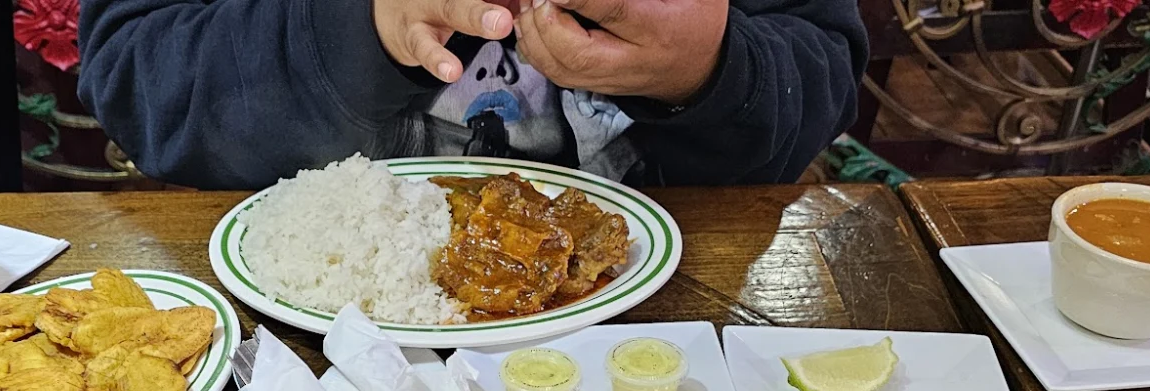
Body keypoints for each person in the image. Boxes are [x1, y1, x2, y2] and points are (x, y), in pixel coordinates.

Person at [76, 0, 866, 189]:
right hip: (287, 346)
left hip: (659, 333)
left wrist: (709, 68)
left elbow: (820, 76)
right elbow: (139, 81)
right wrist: (368, 32)